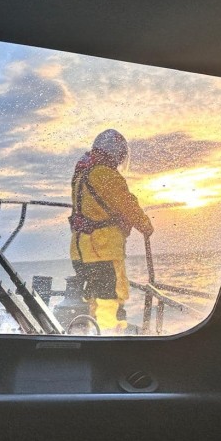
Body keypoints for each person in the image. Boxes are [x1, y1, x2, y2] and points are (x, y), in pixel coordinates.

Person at [69, 129, 153, 333]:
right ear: (115, 153)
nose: (121, 160)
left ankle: (92, 334)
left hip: (81, 251)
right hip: (102, 250)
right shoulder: (105, 174)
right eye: (121, 155)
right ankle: (109, 342)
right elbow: (127, 204)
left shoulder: (82, 173)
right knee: (111, 300)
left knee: (93, 300)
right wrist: (145, 226)